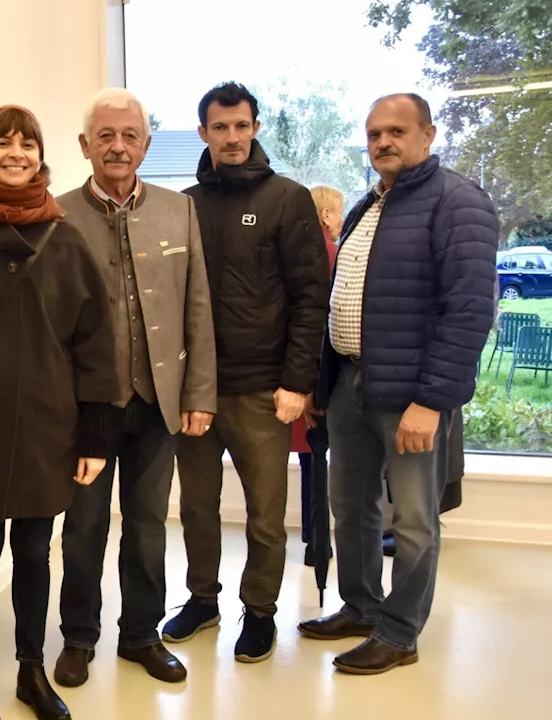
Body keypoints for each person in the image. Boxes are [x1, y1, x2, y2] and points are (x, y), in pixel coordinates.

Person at [0, 104, 120, 720]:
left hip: (47, 426)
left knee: (36, 553)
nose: (16, 154)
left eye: (27, 144)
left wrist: (95, 435)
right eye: (1, 144)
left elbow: (96, 344)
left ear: (41, 155)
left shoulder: (66, 240)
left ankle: (32, 671)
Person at [299, 93, 497, 676]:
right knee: (349, 506)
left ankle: (399, 632)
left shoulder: (458, 203)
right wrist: (321, 381)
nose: (383, 142)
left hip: (412, 394)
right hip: (350, 384)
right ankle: (361, 607)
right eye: (374, 133)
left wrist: (432, 402)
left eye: (397, 131)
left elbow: (468, 312)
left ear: (428, 135)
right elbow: (344, 298)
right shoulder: (370, 205)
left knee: (411, 519)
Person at [51, 88, 217, 688]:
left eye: (129, 136)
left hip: (157, 404)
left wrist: (199, 393)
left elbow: (198, 306)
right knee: (83, 530)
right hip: (85, 411)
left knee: (148, 528)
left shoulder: (180, 210)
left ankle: (141, 635)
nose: (117, 146)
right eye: (106, 136)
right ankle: (78, 636)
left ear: (146, 144)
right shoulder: (56, 214)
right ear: (85, 145)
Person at [164, 82, 329, 664]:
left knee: (264, 515)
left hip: (265, 389)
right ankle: (202, 600)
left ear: (255, 127)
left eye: (240, 125)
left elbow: (312, 298)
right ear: (203, 132)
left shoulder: (288, 199)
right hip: (197, 392)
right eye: (219, 127)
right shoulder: (183, 205)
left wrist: (298, 382)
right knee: (196, 510)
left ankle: (259, 612)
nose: (231, 137)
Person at [293, 184, 343, 567]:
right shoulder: (331, 256)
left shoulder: (300, 256)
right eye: (338, 211)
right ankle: (318, 541)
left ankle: (314, 537)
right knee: (317, 460)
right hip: (319, 373)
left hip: (302, 370)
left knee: (311, 461)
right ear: (326, 215)